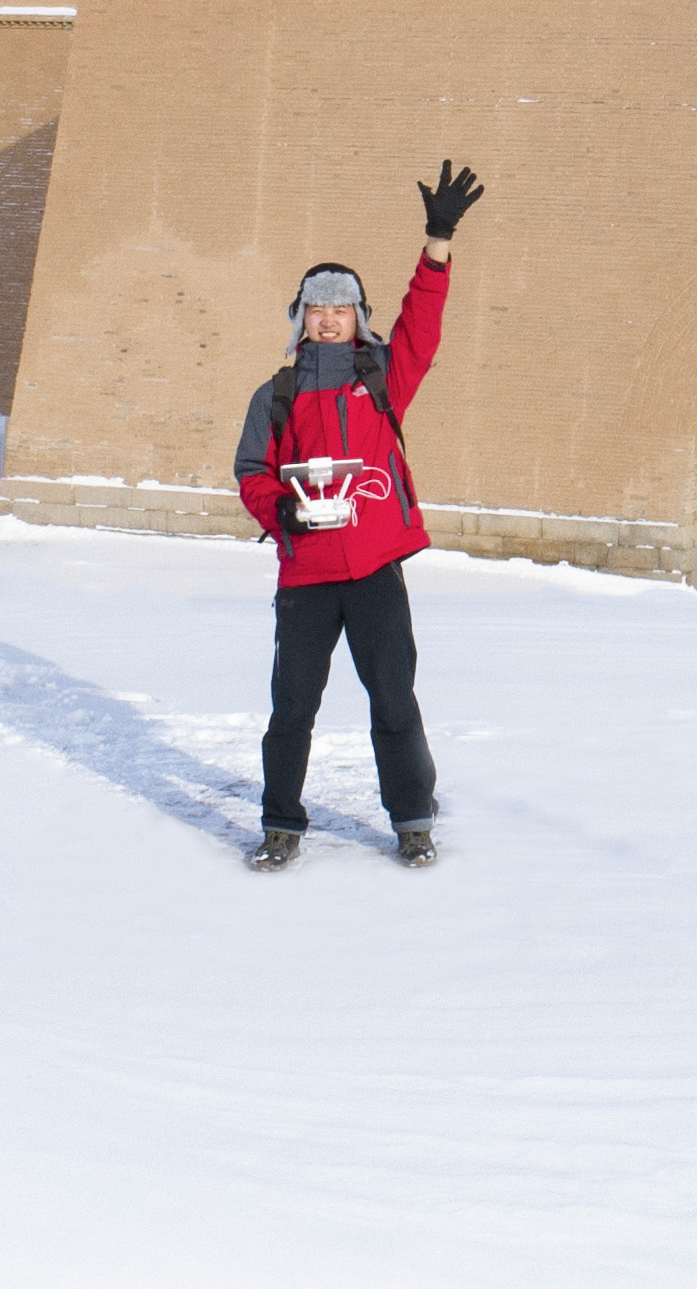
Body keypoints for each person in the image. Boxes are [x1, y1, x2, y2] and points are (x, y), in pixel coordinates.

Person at [236, 159, 485, 872]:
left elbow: (422, 325)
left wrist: (437, 239)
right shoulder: (275, 395)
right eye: (316, 309)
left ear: (357, 318)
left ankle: (411, 818)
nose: (327, 319)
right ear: (301, 319)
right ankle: (281, 822)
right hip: (306, 576)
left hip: (375, 569)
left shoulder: (382, 378)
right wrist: (283, 511)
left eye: (340, 309)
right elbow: (251, 471)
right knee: (292, 709)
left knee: (393, 701)